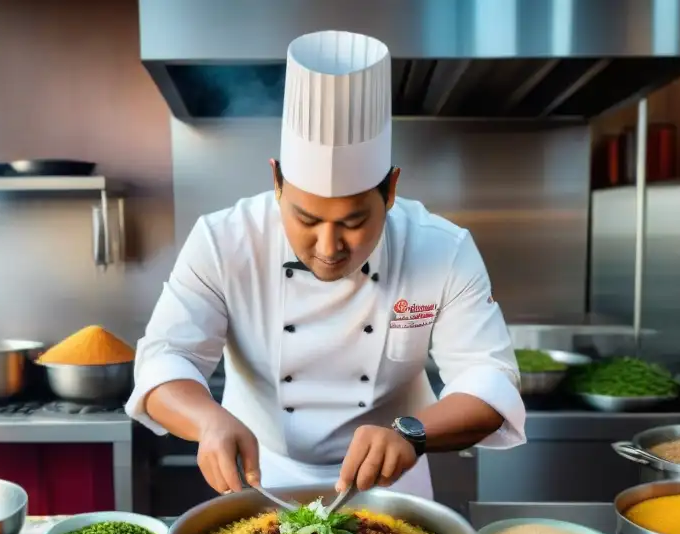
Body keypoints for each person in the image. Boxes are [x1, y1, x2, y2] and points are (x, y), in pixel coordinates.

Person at [126, 30, 526, 500]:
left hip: (394, 487)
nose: (329, 246)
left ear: (391, 189)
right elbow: (164, 359)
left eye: (354, 221)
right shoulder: (223, 240)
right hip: (261, 481)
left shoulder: (441, 248)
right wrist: (207, 419)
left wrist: (411, 432)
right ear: (276, 181)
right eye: (306, 219)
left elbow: (491, 380)